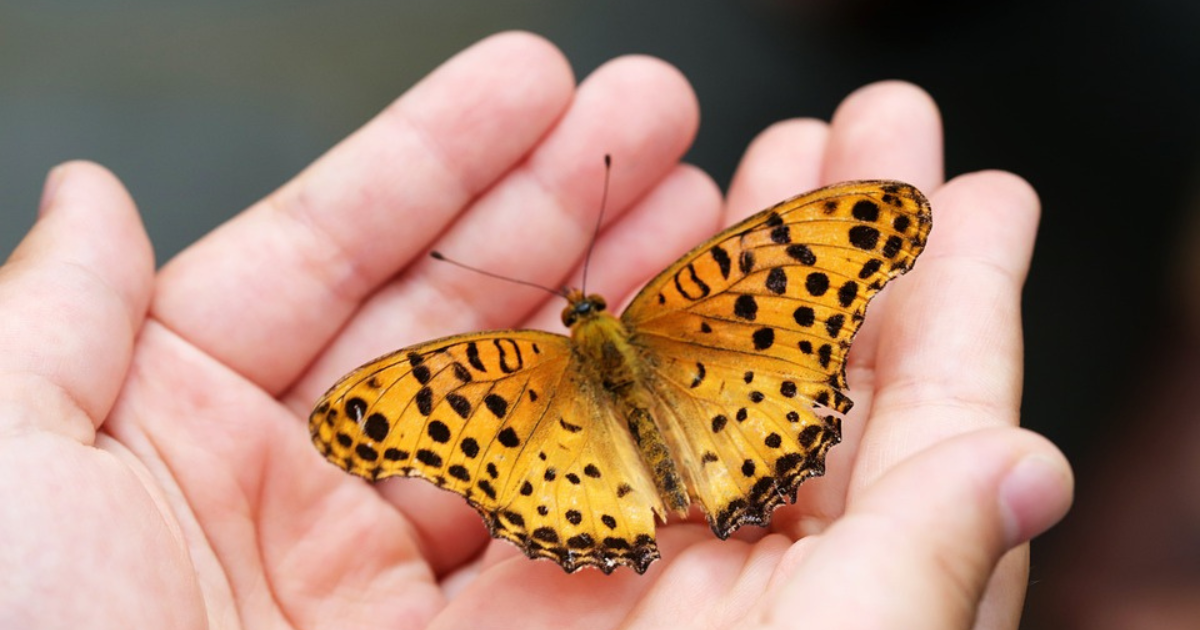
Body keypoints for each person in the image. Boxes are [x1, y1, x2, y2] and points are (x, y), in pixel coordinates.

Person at [0, 31, 1072, 629]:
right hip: (743, 409)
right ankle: (731, 477)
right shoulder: (689, 294)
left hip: (572, 478)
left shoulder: (489, 370)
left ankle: (651, 501)